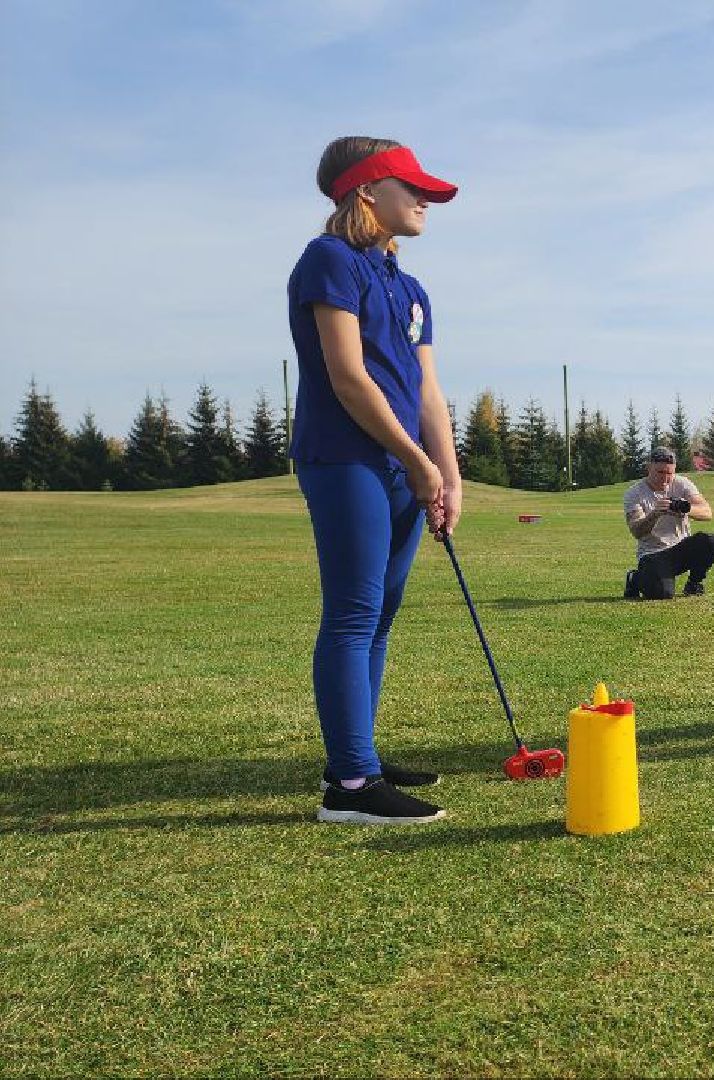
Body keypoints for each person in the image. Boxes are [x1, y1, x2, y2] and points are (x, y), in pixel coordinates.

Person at [289, 137, 460, 825]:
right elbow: (347, 377)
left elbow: (427, 389)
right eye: (411, 187)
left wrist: (446, 472)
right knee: (354, 614)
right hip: (345, 458)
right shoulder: (328, 259)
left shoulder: (408, 284)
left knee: (381, 616)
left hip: (401, 465)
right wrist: (417, 462)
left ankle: (355, 755)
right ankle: (351, 789)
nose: (425, 200)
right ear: (366, 191)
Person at [622, 448, 714, 599]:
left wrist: (686, 509)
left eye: (670, 473)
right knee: (662, 594)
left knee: (710, 541)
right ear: (649, 468)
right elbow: (636, 531)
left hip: (680, 549)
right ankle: (635, 578)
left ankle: (694, 583)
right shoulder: (634, 493)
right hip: (652, 554)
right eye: (660, 472)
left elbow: (707, 513)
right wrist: (655, 514)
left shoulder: (682, 484)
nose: (665, 478)